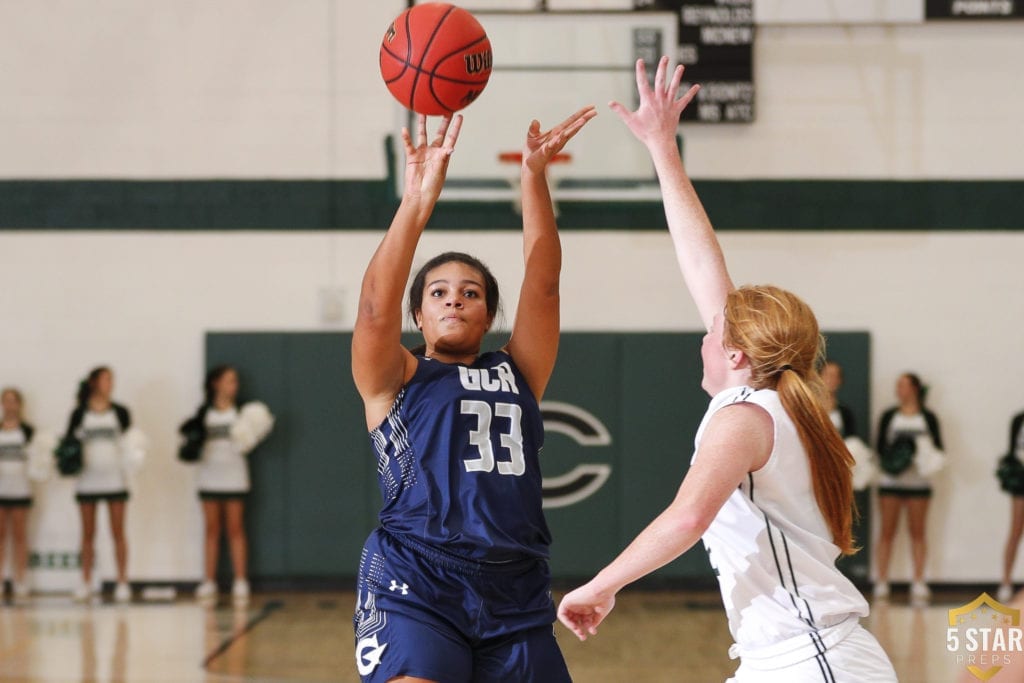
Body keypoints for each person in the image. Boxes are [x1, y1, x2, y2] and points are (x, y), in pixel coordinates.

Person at [556, 57, 896, 682]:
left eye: (713, 330)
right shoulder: (778, 400)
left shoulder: (747, 417)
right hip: (790, 657)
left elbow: (687, 517)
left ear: (736, 354)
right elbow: (703, 264)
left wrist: (600, 586)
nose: (703, 333)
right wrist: (662, 147)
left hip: (811, 661)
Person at [350, 105, 594, 683]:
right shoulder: (394, 379)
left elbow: (545, 284)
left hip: (517, 585)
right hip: (417, 576)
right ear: (418, 313)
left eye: (470, 292)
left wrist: (533, 179)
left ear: (487, 316)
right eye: (437, 292)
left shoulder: (519, 371)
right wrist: (416, 202)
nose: (453, 299)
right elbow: (372, 310)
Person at [179, 365, 274, 604]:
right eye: (229, 380)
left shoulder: (242, 412)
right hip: (209, 476)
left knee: (235, 528)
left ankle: (240, 580)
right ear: (216, 383)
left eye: (235, 381)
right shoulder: (203, 414)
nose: (234, 385)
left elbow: (251, 438)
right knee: (211, 530)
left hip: (235, 477)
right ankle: (208, 581)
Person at [61, 367, 145, 603]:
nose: (111, 383)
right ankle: (85, 581)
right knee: (87, 534)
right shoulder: (79, 414)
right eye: (107, 378)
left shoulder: (120, 412)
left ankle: (122, 581)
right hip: (87, 481)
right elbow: (70, 446)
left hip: (115, 480)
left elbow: (131, 444)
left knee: (118, 532)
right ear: (94, 382)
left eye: (112, 379)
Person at [873, 372, 943, 604]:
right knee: (887, 531)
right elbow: (880, 448)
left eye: (903, 385)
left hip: (919, 484)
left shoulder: (928, 417)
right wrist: (896, 460)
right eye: (898, 385)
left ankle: (919, 580)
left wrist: (922, 458)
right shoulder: (889, 416)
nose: (899, 390)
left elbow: (938, 448)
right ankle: (882, 580)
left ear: (915, 388)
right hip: (891, 483)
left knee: (918, 532)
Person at [0, 388, 52, 600]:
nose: (10, 405)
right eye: (6, 401)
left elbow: (38, 459)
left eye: (14, 401)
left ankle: (21, 579)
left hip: (21, 489)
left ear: (20, 404)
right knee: (0, 536)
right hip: (1, 489)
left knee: (20, 536)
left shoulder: (28, 431)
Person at [998, 410, 1024, 602]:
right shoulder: (1018, 419)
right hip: (1021, 482)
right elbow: (1012, 450)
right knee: (1015, 530)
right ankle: (1006, 581)